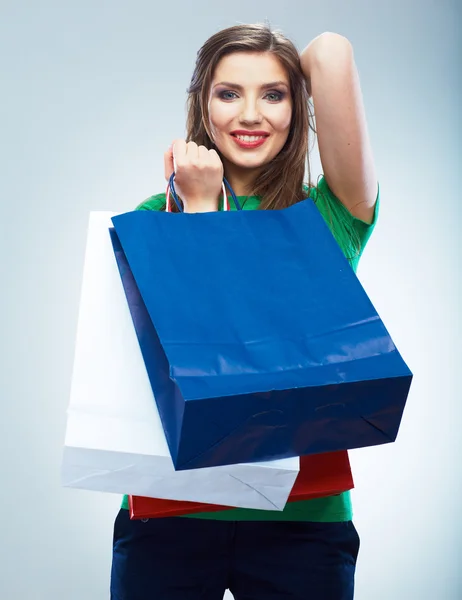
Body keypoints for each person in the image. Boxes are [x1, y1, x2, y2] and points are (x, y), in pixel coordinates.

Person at [110, 22, 379, 600]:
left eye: (274, 94)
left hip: (302, 524)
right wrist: (200, 204)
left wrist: (278, 50)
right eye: (229, 93)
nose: (251, 114)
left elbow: (331, 52)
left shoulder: (328, 217)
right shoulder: (153, 215)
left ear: (298, 105)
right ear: (201, 106)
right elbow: (205, 353)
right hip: (169, 516)